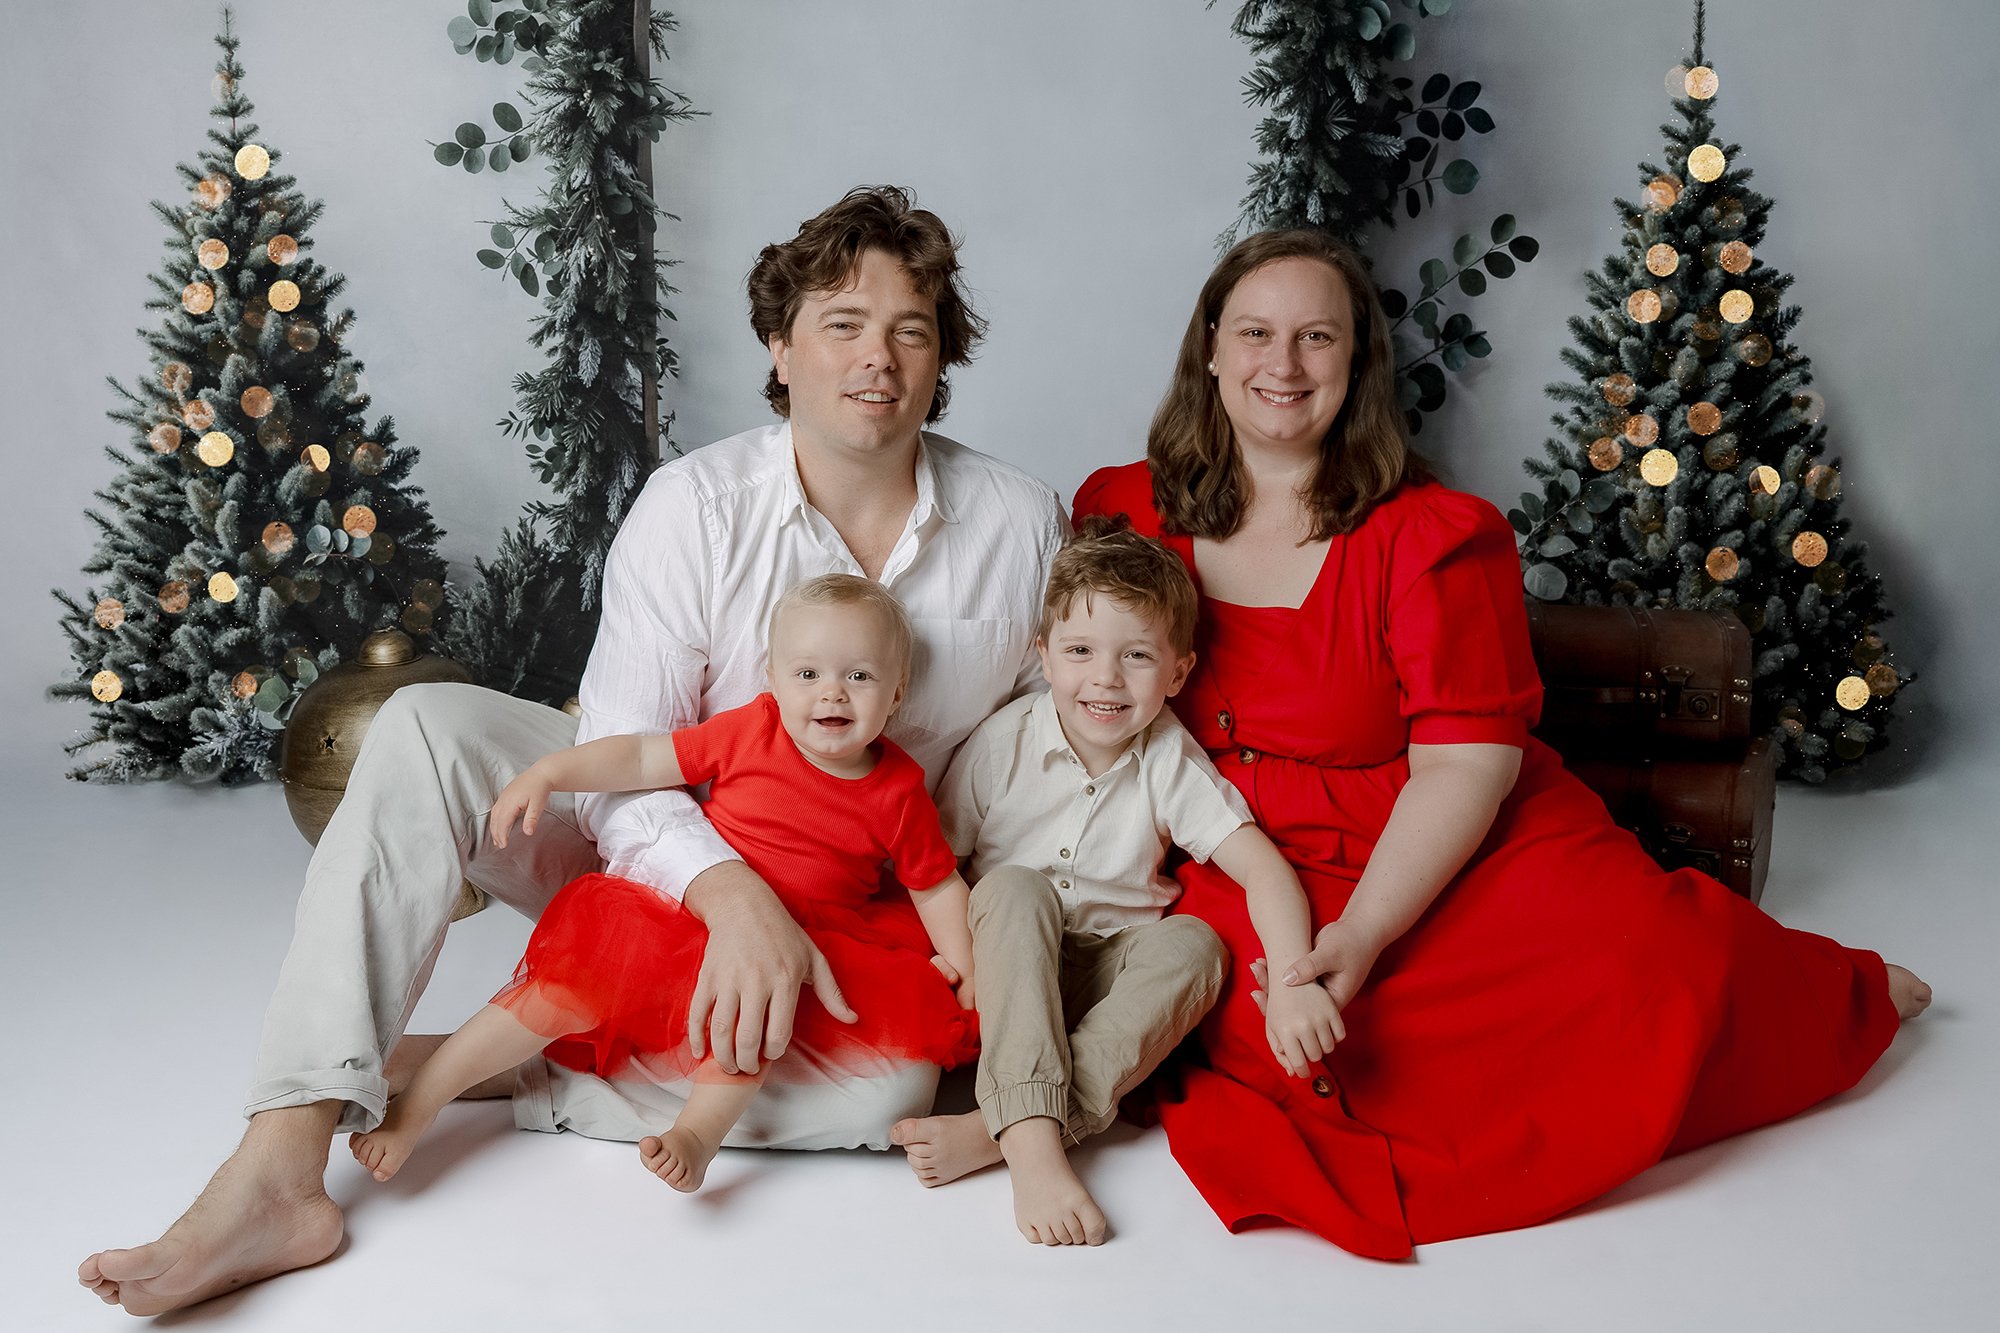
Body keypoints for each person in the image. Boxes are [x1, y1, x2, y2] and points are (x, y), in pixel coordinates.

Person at [80, 185, 1065, 1315]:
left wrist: (991, 944)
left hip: (858, 897)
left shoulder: (1018, 522)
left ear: (944, 356)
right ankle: (279, 1166)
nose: (877, 359)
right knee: (425, 723)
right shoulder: (693, 506)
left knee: (883, 1101)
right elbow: (618, 762)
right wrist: (730, 893)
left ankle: (514, 1053)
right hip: (657, 846)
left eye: (911, 328)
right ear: (779, 347)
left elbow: (1034, 760)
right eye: (842, 322)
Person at [1071, 228, 1932, 1260]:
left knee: (1647, 961)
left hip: (1435, 830)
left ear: (1356, 362)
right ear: (1209, 349)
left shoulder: (1431, 533)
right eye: (1254, 333)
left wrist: (1363, 935)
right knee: (1287, 1035)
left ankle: (1828, 996)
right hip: (1242, 846)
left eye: (1316, 338)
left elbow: (1462, 766)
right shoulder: (1119, 510)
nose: (1282, 365)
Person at [351, 575, 978, 1194]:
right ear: (774, 681)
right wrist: (551, 771)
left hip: (813, 941)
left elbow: (936, 885)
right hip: (690, 918)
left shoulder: (898, 791)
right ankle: (425, 1097)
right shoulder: (752, 731)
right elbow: (645, 759)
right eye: (808, 675)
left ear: (896, 693)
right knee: (557, 989)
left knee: (752, 1023)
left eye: (860, 677)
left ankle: (696, 1135)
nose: (832, 695)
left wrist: (961, 964)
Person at [892, 519, 1338, 1247]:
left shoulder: (1167, 755)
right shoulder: (1003, 740)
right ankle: (1033, 1140)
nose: (1104, 679)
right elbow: (933, 865)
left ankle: (1014, 1129)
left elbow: (1261, 865)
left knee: (1197, 945)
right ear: (1043, 657)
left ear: (1178, 672)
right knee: (1011, 887)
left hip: (1106, 976)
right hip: (1007, 970)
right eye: (1079, 652)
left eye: (1136, 656)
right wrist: (956, 961)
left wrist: (1293, 981)